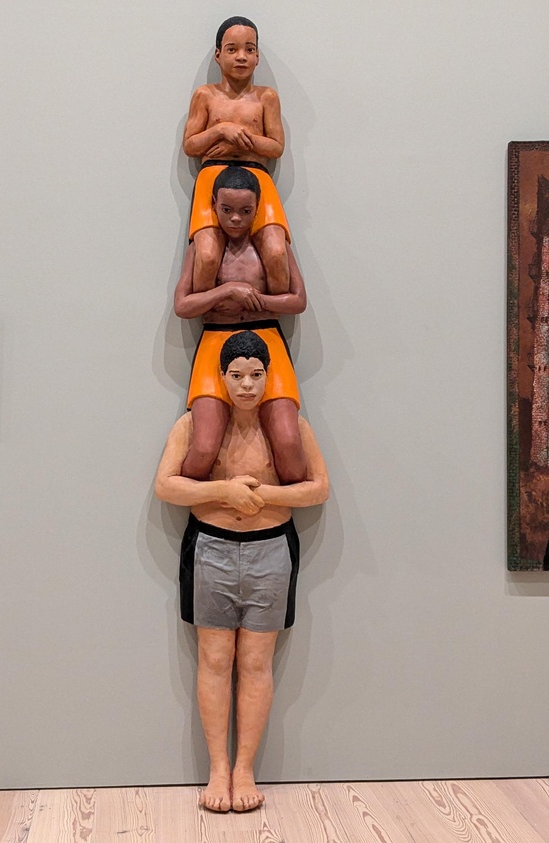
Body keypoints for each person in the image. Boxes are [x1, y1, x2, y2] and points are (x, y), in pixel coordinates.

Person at [155, 331, 329, 813]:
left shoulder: (291, 427)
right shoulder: (192, 425)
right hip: (210, 548)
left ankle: (244, 767)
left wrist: (264, 496)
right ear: (222, 377)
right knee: (214, 660)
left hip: (271, 549)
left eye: (256, 376)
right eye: (237, 376)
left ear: (270, 377)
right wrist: (223, 492)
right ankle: (217, 768)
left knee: (255, 663)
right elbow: (166, 485)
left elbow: (318, 489)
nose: (248, 386)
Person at [175, 166, 307, 484]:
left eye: (246, 211)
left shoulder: (271, 248)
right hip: (216, 340)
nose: (236, 219)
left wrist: (258, 300)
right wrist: (227, 290)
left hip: (267, 336)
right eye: (227, 210)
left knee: (290, 447)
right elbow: (183, 305)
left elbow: (298, 300)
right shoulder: (201, 249)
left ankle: (268, 511)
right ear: (213, 204)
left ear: (258, 208)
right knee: (203, 448)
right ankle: (214, 508)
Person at [184, 16, 290, 296]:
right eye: (232, 49)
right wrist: (221, 129)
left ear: (257, 57)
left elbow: (276, 147)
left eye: (249, 49)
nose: (241, 57)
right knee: (206, 257)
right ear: (218, 55)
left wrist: (240, 141)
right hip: (212, 179)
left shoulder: (267, 97)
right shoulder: (205, 95)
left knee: (277, 254)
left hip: (258, 178)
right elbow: (191, 145)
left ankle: (267, 315)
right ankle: (214, 320)